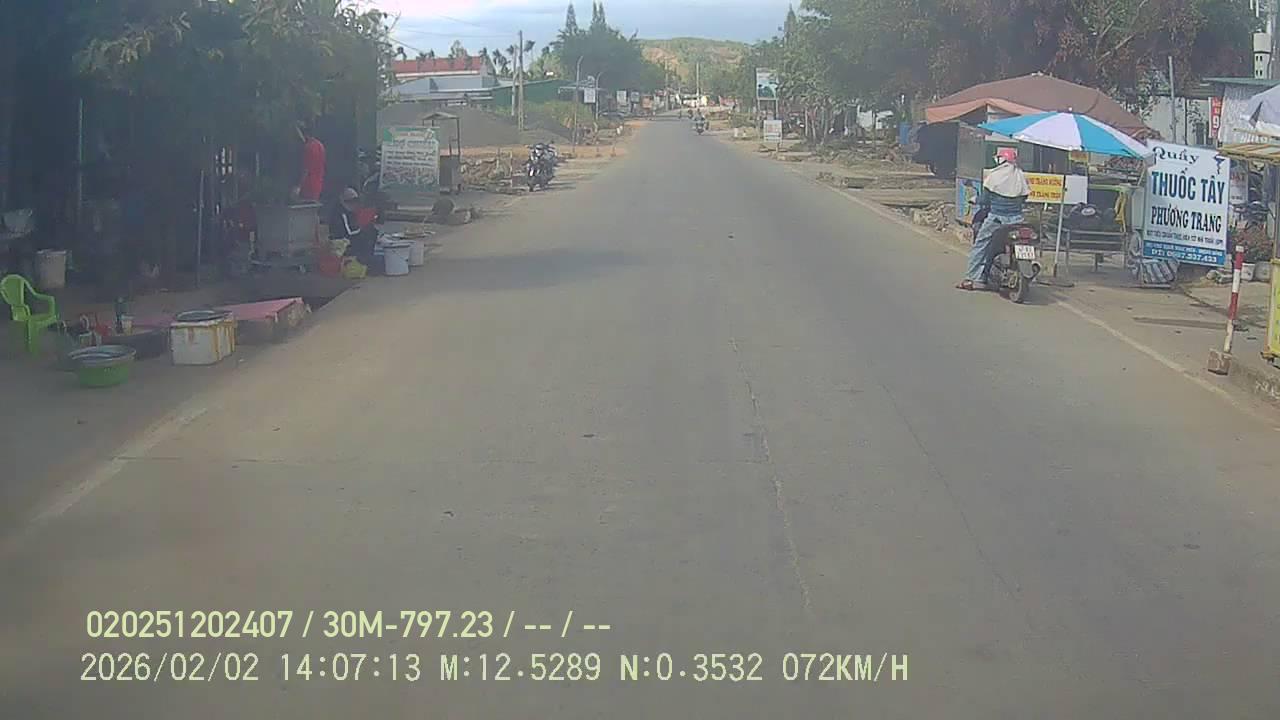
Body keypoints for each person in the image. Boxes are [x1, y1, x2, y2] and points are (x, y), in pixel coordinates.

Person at [957, 148, 1029, 291]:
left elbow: (985, 199)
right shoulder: (1020, 175)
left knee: (981, 244)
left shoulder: (994, 176)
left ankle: (972, 278)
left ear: (1001, 160)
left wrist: (975, 199)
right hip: (1017, 219)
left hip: (996, 218)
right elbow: (1024, 197)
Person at [331, 188, 375, 264]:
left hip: (350, 241)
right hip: (343, 243)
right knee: (367, 235)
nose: (355, 204)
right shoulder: (340, 213)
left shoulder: (350, 212)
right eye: (353, 201)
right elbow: (349, 232)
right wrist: (362, 228)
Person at [295, 122, 326, 202]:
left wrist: (298, 187)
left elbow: (306, 169)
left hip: (308, 186)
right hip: (318, 185)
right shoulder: (320, 145)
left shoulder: (308, 147)